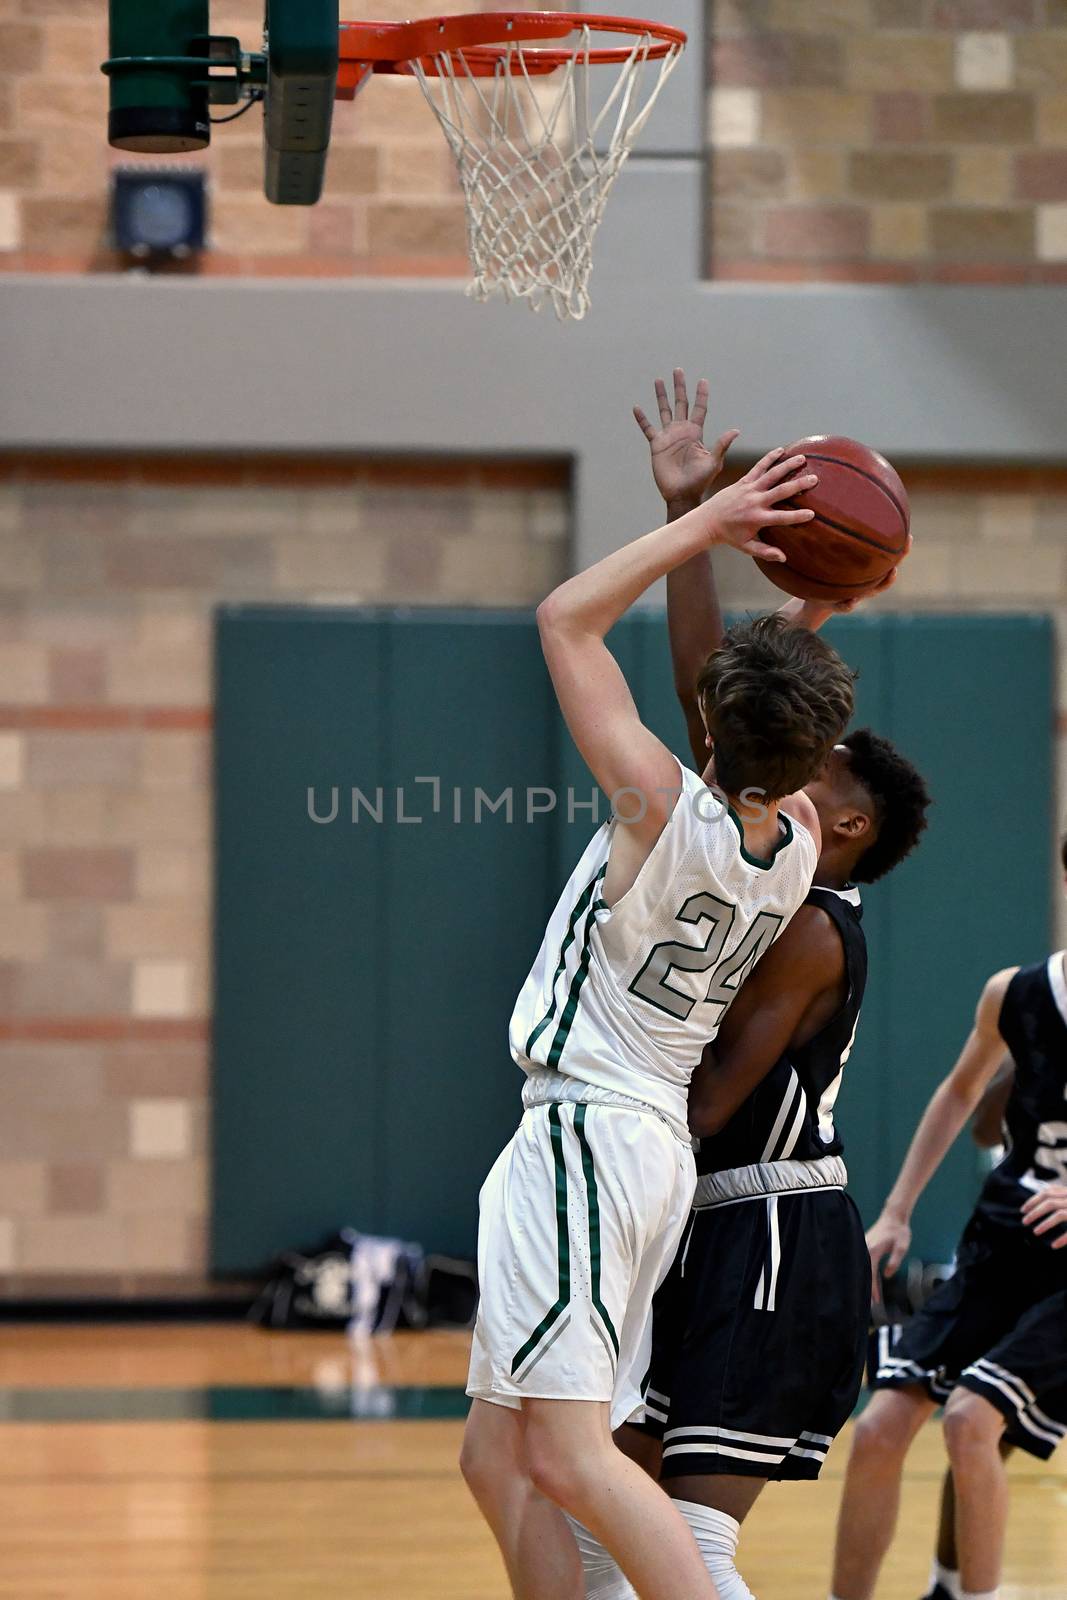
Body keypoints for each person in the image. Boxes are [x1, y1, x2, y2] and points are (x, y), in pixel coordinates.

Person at [460, 433, 857, 1600]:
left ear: (704, 728)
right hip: (642, 1154)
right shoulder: (790, 851)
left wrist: (706, 520)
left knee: (571, 1456)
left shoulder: (655, 807)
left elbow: (564, 619)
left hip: (592, 1131)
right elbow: (766, 714)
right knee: (498, 1454)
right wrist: (801, 602)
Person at [569, 370, 929, 1600]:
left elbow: (714, 1099)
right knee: (607, 1504)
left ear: (845, 825)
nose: (789, 761)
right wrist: (691, 513)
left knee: (690, 1533)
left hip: (769, 1226)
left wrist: (596, 1114)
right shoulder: (770, 862)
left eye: (820, 764)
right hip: (703, 1212)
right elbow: (713, 705)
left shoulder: (811, 922)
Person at [828, 837, 1067, 1600]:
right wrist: (895, 1212)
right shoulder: (1018, 994)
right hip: (1006, 1241)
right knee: (876, 1429)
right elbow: (960, 1093)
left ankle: (969, 1592)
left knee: (971, 1421)